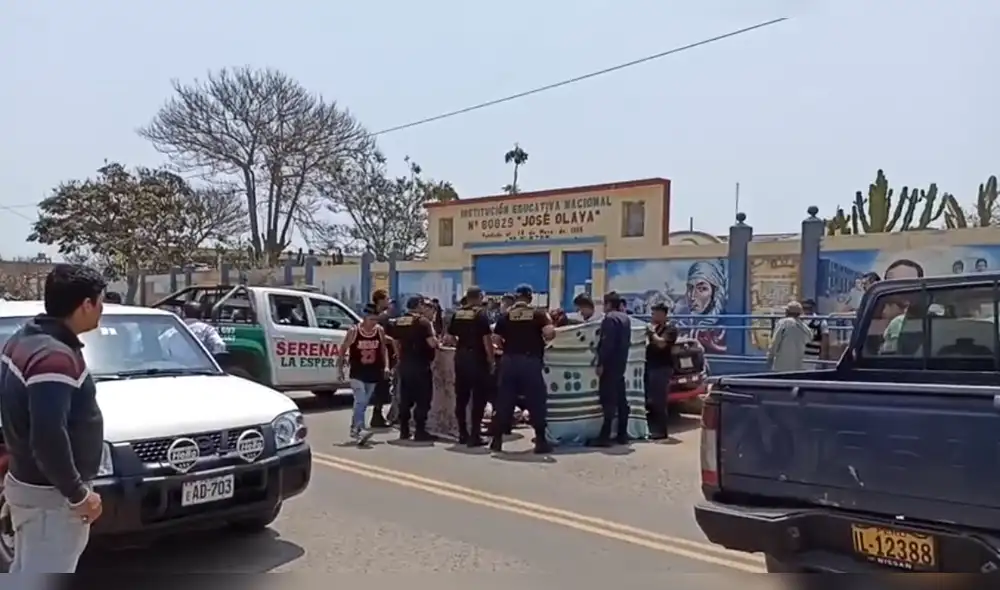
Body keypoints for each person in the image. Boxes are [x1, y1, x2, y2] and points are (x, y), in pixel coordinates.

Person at [0, 264, 106, 573]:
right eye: (100, 301)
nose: (102, 309)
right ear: (85, 304)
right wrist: (77, 494)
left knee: (27, 571)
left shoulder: (24, 338)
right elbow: (47, 435)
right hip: (51, 499)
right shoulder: (54, 356)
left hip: (30, 485)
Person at [491, 285, 555, 454]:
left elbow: (496, 339)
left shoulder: (505, 316)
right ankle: (540, 441)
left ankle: (496, 440)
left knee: (504, 400)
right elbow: (549, 333)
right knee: (536, 400)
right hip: (530, 362)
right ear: (530, 298)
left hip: (509, 361)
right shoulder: (539, 314)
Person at [446, 287, 495, 447]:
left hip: (461, 357)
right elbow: (486, 339)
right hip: (477, 358)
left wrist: (461, 346)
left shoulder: (457, 313)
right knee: (479, 398)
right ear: (479, 297)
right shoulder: (481, 314)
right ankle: (475, 434)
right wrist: (491, 359)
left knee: (462, 397)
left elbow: (450, 337)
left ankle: (462, 433)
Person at [338, 303, 390, 445]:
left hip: (373, 372)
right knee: (360, 400)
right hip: (357, 372)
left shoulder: (379, 331)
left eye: (376, 319)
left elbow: (383, 349)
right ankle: (360, 428)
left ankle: (355, 428)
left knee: (364, 402)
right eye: (371, 319)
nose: (374, 322)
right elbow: (343, 349)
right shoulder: (354, 331)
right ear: (365, 318)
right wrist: (339, 369)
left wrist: (386, 366)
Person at [389, 296, 439, 441]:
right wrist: (436, 340)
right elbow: (432, 343)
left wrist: (400, 357)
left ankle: (404, 430)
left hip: (405, 364)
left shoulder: (399, 321)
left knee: (405, 398)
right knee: (423, 399)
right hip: (421, 365)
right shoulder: (423, 322)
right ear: (419, 306)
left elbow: (395, 342)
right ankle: (420, 431)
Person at [591, 291, 632, 447]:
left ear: (608, 304)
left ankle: (605, 436)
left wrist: (601, 362)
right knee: (621, 400)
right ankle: (622, 434)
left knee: (608, 400)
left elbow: (607, 343)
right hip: (621, 363)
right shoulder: (625, 318)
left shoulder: (609, 319)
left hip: (610, 365)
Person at [644, 302, 677, 440]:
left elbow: (662, 343)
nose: (653, 316)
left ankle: (661, 431)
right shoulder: (656, 328)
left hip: (662, 368)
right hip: (651, 367)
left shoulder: (670, 329)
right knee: (651, 400)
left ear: (663, 314)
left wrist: (651, 333)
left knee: (659, 400)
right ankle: (652, 429)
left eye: (655, 313)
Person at [370, 289, 395, 428]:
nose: (389, 302)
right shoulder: (379, 317)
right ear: (380, 301)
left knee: (382, 386)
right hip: (380, 355)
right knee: (382, 386)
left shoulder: (380, 316)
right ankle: (377, 416)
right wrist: (392, 341)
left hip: (383, 354)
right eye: (387, 299)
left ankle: (377, 415)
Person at [767, 301, 813, 372]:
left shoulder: (783, 323)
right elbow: (810, 339)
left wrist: (770, 356)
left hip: (781, 365)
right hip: (798, 366)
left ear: (787, 312)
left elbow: (775, 342)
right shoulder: (805, 327)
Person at [801, 299, 829, 366]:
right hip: (800, 355)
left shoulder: (820, 321)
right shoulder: (798, 320)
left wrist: (823, 358)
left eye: (809, 308)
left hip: (814, 356)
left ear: (813, 308)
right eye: (804, 308)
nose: (806, 310)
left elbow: (825, 340)